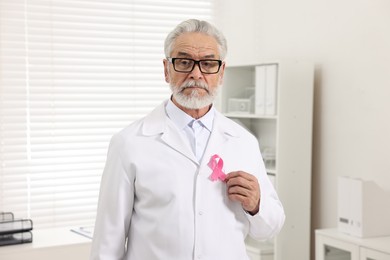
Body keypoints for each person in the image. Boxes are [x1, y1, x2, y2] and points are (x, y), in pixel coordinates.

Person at [90, 19, 285, 260]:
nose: (196, 73)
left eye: (208, 64)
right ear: (166, 69)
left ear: (221, 72)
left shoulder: (243, 141)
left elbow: (269, 228)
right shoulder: (129, 143)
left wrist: (256, 205)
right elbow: (108, 241)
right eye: (183, 62)